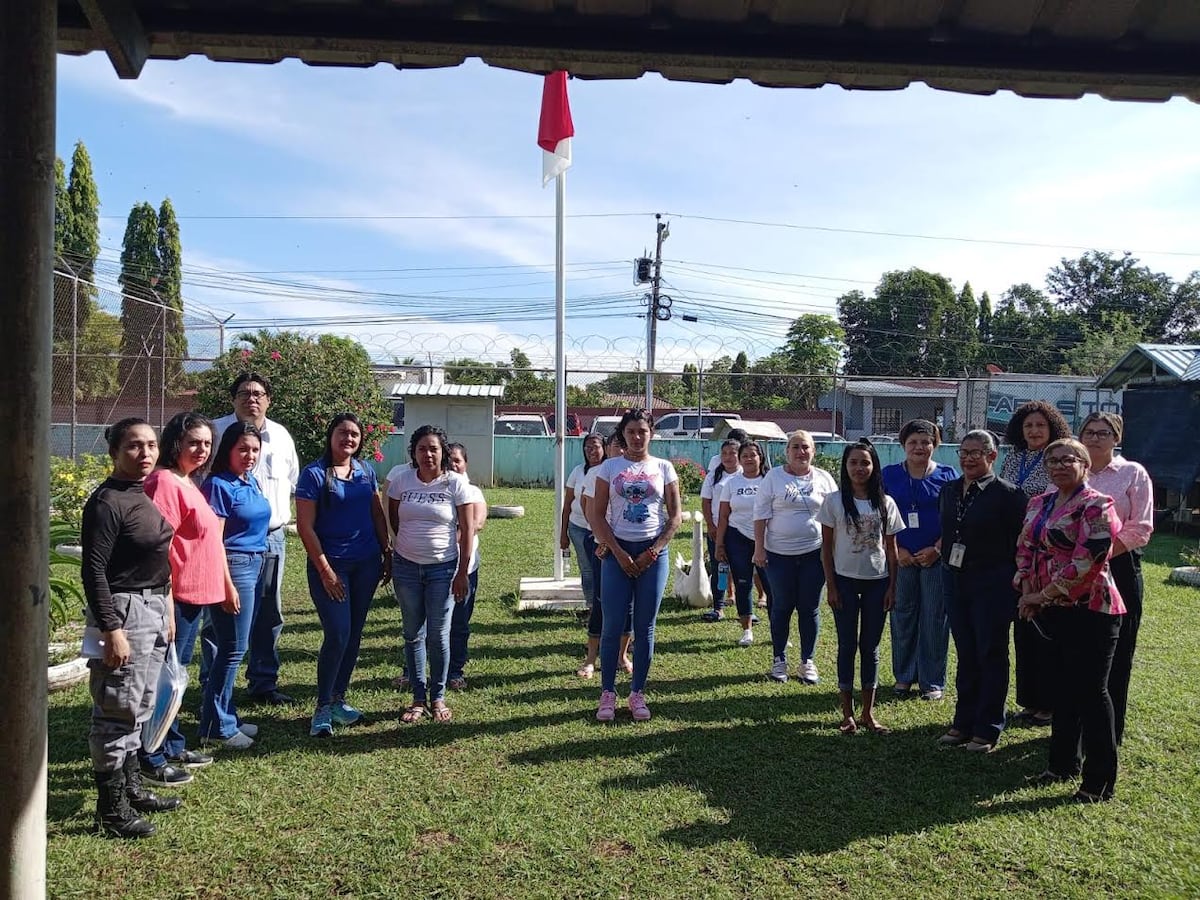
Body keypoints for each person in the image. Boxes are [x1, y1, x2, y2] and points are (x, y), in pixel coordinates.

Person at [82, 418, 182, 838]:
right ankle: (112, 812)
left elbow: (156, 559)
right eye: (134, 447)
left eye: (151, 446)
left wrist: (169, 607)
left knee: (139, 705)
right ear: (115, 452)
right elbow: (94, 570)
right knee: (116, 710)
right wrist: (112, 630)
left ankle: (132, 788)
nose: (145, 454)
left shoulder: (139, 493)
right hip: (126, 611)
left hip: (154, 606)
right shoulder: (106, 502)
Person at [1015, 438, 1125, 802]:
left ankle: (1099, 782)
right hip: (1050, 609)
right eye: (1053, 461)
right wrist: (1028, 585)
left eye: (1069, 459)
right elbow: (1026, 547)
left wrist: (1041, 595)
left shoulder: (1097, 505)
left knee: (1091, 692)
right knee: (1061, 688)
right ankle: (1061, 765)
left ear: (1084, 465)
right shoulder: (1039, 503)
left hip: (1092, 610)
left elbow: (1088, 561)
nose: (1060, 466)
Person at [140, 412, 233, 784]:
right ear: (175, 442)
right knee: (164, 678)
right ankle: (153, 754)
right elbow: (157, 546)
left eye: (207, 443)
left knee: (177, 674)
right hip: (175, 596)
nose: (201, 449)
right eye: (194, 441)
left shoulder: (188, 480)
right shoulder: (163, 481)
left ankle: (174, 743)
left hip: (195, 596)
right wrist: (166, 603)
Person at [296, 413, 391, 737]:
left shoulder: (365, 471)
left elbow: (376, 513)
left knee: (353, 634)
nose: (348, 439)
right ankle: (322, 706)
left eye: (354, 434)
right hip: (331, 567)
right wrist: (325, 570)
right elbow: (305, 527)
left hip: (366, 564)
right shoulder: (313, 474)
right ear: (331, 436)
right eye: (343, 433)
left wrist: (386, 552)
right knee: (337, 633)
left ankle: (339, 699)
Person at [587, 409, 682, 722]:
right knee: (612, 625)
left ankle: (638, 692)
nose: (637, 437)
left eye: (643, 431)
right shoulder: (609, 468)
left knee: (645, 627)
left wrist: (652, 552)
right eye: (631, 432)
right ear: (622, 435)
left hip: (653, 556)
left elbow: (675, 516)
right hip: (617, 553)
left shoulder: (664, 468)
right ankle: (608, 693)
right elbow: (597, 514)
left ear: (651, 433)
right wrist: (617, 551)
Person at [936, 431, 1028, 752]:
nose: (969, 458)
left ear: (993, 456)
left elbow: (1020, 546)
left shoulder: (1011, 496)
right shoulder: (948, 490)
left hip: (992, 585)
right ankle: (963, 722)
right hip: (954, 581)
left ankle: (987, 728)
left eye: (978, 452)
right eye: (964, 451)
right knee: (965, 654)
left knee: (990, 653)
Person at [213, 372, 300, 706]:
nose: (252, 399)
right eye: (244, 393)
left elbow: (290, 481)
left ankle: (263, 683)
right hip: (229, 540)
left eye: (259, 393)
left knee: (269, 613)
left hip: (271, 537)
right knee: (221, 613)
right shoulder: (216, 431)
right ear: (233, 399)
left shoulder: (281, 436)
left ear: (268, 400)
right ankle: (216, 684)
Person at [388, 424, 476, 724]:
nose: (428, 454)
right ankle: (417, 698)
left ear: (443, 452)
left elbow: (466, 532)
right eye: (422, 448)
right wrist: (409, 549)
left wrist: (462, 572)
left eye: (434, 449)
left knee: (438, 635)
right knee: (413, 634)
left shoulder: (456, 484)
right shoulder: (400, 481)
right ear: (413, 451)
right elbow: (394, 522)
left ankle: (437, 697)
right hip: (406, 568)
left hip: (444, 569)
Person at [817, 440, 905, 735]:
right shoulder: (833, 502)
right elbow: (826, 549)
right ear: (845, 466)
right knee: (847, 645)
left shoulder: (886, 503)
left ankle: (868, 713)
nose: (859, 468)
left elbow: (891, 549)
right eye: (853, 462)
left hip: (877, 583)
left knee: (871, 647)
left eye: (865, 463)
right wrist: (831, 586)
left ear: (874, 466)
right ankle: (846, 714)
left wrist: (893, 586)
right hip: (843, 581)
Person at [1079, 412, 1153, 745]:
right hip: (1075, 572)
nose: (1095, 438)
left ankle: (1110, 731)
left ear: (1116, 438)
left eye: (1103, 433)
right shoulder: (1071, 471)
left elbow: (1141, 527)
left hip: (1118, 568)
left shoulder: (1132, 473)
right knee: (1077, 651)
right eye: (1089, 432)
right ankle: (1074, 729)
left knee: (1118, 654)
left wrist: (1101, 554)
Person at [1000, 400, 1072, 728]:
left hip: (1048, 554)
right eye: (1028, 426)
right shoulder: (1014, 458)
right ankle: (1029, 701)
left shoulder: (1057, 460)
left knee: (1047, 629)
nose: (1033, 431)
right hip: (1015, 552)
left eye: (1040, 426)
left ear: (1052, 428)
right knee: (1024, 629)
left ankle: (1050, 703)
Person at [200, 422, 272, 749]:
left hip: (256, 563)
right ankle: (217, 727)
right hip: (234, 567)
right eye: (242, 449)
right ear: (228, 449)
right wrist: (226, 585)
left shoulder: (249, 481)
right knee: (232, 649)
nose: (249, 455)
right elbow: (213, 540)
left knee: (235, 646)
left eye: (255, 449)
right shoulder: (218, 484)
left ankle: (226, 715)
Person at [753, 429, 838, 684]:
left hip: (815, 554)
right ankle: (779, 659)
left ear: (813, 451)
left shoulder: (824, 479)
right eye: (796, 447)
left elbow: (835, 514)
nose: (801, 452)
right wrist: (759, 548)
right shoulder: (773, 478)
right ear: (786, 452)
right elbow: (761, 514)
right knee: (781, 605)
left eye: (806, 448)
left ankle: (807, 661)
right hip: (779, 555)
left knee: (809, 607)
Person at [881, 420, 957, 701]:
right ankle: (904, 676)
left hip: (935, 558)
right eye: (913, 442)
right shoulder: (888, 476)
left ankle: (932, 680)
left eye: (926, 442)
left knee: (936, 618)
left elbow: (956, 519)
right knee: (902, 615)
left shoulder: (948, 476)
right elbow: (879, 517)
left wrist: (937, 548)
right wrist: (896, 549)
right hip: (901, 559)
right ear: (903, 445)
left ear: (935, 445)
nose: (919, 447)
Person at [578, 430, 633, 678]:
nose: (620, 450)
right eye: (616, 445)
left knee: (628, 605)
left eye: (624, 446)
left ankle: (622, 656)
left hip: (631, 546)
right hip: (602, 546)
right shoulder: (599, 473)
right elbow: (587, 507)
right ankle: (591, 658)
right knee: (601, 603)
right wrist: (599, 536)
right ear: (608, 448)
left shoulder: (637, 475)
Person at [714, 441, 772, 647]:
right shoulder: (732, 483)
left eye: (752, 455)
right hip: (737, 537)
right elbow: (723, 515)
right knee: (743, 583)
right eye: (744, 455)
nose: (748, 459)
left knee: (771, 585)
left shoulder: (769, 480)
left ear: (760, 458)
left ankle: (777, 631)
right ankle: (747, 629)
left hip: (767, 540)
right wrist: (720, 544)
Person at [446, 442, 488, 691]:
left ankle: (455, 671)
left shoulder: (473, 492)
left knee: (459, 622)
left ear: (465, 464)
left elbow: (477, 522)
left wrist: (454, 533)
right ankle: (417, 670)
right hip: (434, 566)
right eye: (448, 459)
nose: (453, 464)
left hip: (466, 567)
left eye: (457, 460)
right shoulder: (435, 490)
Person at [699, 439, 741, 622]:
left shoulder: (746, 475)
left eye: (732, 453)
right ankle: (719, 606)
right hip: (718, 530)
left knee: (742, 570)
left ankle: (744, 609)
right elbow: (706, 502)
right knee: (720, 569)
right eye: (724, 453)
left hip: (741, 532)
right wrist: (711, 526)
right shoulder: (714, 476)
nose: (728, 457)